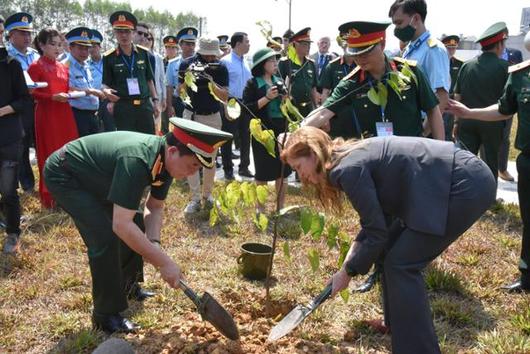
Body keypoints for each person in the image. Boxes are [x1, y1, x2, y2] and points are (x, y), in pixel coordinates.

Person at [281, 126, 496, 354]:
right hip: (453, 178)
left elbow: (376, 232)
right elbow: (378, 222)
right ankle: (396, 325)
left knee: (402, 264)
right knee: (388, 252)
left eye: (298, 167)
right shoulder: (345, 158)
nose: (299, 175)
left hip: (464, 185)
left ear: (313, 155)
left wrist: (348, 272)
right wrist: (351, 257)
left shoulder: (347, 170)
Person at [43, 117, 232, 333]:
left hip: (99, 176)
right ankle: (105, 315)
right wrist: (164, 263)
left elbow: (156, 206)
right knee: (105, 237)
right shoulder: (138, 160)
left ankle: (128, 286)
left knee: (136, 219)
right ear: (173, 152)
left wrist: (154, 243)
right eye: (192, 166)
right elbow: (120, 227)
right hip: (67, 175)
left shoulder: (165, 162)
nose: (192, 173)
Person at [447, 31, 530, 292]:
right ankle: (527, 275)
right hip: (528, 160)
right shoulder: (520, 75)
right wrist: (469, 112)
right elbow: (504, 109)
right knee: (528, 220)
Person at [303, 21, 444, 141]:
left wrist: (439, 152)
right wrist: (298, 132)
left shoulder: (410, 72)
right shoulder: (352, 82)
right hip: (375, 159)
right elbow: (323, 113)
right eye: (356, 54)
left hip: (411, 156)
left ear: (382, 45)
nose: (360, 59)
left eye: (366, 52)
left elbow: (433, 110)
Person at [28, 28, 79, 209]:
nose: (57, 48)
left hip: (65, 114)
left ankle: (67, 196)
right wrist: (51, 97)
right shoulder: (36, 66)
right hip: (47, 115)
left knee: (68, 153)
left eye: (59, 44)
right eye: (52, 44)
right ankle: (49, 198)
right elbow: (31, 93)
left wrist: (75, 93)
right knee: (49, 154)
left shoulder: (63, 67)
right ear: (41, 45)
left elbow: (66, 89)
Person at [453, 22, 509, 182]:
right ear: (499, 45)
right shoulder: (505, 68)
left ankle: (464, 194)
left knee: (465, 162)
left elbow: (458, 95)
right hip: (493, 123)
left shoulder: (466, 66)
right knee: (490, 162)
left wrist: (456, 123)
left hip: (466, 121)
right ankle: (489, 197)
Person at [178, 37, 229, 214]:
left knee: (210, 157)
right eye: (205, 56)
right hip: (190, 115)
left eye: (212, 56)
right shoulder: (186, 64)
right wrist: (188, 77)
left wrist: (209, 80)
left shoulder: (220, 68)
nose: (208, 60)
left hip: (212, 117)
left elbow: (224, 96)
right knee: (190, 156)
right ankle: (194, 197)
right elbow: (180, 92)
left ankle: (207, 196)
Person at [243, 48, 291, 210]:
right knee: (262, 171)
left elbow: (288, 106)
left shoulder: (279, 80)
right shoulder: (253, 83)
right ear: (262, 64)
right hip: (262, 131)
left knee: (282, 170)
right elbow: (247, 108)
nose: (275, 63)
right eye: (271, 61)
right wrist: (267, 98)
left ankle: (280, 207)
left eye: (275, 60)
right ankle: (260, 208)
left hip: (281, 130)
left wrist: (286, 99)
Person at [102, 11, 160, 134]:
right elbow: (105, 83)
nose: (124, 35)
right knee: (127, 144)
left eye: (127, 31)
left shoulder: (144, 53)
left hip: (144, 106)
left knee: (148, 141)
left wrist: (155, 101)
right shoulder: (109, 57)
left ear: (133, 33)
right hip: (123, 107)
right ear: (114, 33)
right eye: (119, 31)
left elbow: (149, 79)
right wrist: (106, 92)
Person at [389, 0, 450, 116]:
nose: (396, 29)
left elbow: (441, 97)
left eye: (399, 23)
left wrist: (424, 131)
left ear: (416, 19)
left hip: (424, 127)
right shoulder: (409, 49)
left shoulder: (433, 50)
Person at [0, 44, 32, 254]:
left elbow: (23, 100)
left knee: (8, 189)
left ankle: (13, 233)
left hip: (8, 136)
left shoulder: (11, 64)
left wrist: (1, 111)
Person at [5, 12, 39, 193]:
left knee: (39, 142)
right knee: (22, 146)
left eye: (29, 33)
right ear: (11, 35)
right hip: (18, 107)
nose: (27, 37)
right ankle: (26, 185)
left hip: (38, 104)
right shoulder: (6, 57)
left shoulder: (35, 55)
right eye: (22, 33)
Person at [220, 32, 253, 180]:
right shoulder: (225, 62)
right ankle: (228, 169)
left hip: (245, 102)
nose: (249, 44)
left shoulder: (246, 62)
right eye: (247, 41)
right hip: (231, 101)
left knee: (246, 136)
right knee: (229, 135)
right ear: (238, 44)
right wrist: (225, 104)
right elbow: (220, 86)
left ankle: (244, 167)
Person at [63, 27, 105, 137]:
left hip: (93, 115)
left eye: (87, 48)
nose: (84, 52)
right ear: (70, 47)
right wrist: (90, 91)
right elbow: (66, 90)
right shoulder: (65, 66)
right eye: (80, 48)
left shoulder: (86, 65)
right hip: (76, 115)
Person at [319, 29, 357, 139]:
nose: (348, 47)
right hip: (338, 115)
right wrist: (325, 119)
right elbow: (325, 93)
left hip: (358, 113)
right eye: (345, 44)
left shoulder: (361, 64)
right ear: (341, 46)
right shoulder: (332, 66)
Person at [496, 46, 523, 182]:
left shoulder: (515, 53)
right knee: (487, 134)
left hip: (509, 100)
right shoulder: (489, 53)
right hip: (492, 99)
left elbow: (520, 76)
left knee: (505, 136)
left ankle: (502, 168)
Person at [278, 27, 319, 117]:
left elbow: (313, 88)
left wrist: (316, 107)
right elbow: (279, 85)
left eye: (309, 45)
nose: (308, 47)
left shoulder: (311, 64)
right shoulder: (285, 62)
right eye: (305, 45)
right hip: (292, 108)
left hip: (308, 108)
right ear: (295, 44)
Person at [166, 27, 198, 120]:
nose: (191, 47)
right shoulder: (172, 64)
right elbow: (169, 87)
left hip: (197, 103)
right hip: (179, 103)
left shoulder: (200, 63)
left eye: (193, 44)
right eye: (188, 44)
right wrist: (170, 107)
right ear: (180, 45)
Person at [89, 29, 114, 132]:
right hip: (94, 101)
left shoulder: (109, 60)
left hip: (108, 100)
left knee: (111, 129)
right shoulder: (85, 64)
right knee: (96, 129)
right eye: (89, 46)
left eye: (94, 46)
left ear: (100, 47)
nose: (92, 49)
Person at [440, 34, 463, 141]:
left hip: (453, 101)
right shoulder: (438, 62)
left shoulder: (460, 64)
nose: (451, 50)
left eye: (454, 48)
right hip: (439, 99)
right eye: (449, 48)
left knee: (449, 130)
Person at [145, 30, 167, 133]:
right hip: (144, 96)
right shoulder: (137, 55)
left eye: (150, 39)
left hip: (157, 96)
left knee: (157, 126)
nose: (147, 41)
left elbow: (163, 79)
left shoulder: (158, 57)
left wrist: (164, 99)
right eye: (145, 38)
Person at [161, 35, 178, 134]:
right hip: (163, 97)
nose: (170, 50)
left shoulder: (179, 63)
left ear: (176, 49)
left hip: (175, 98)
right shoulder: (161, 62)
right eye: (167, 47)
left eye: (172, 47)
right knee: (164, 124)